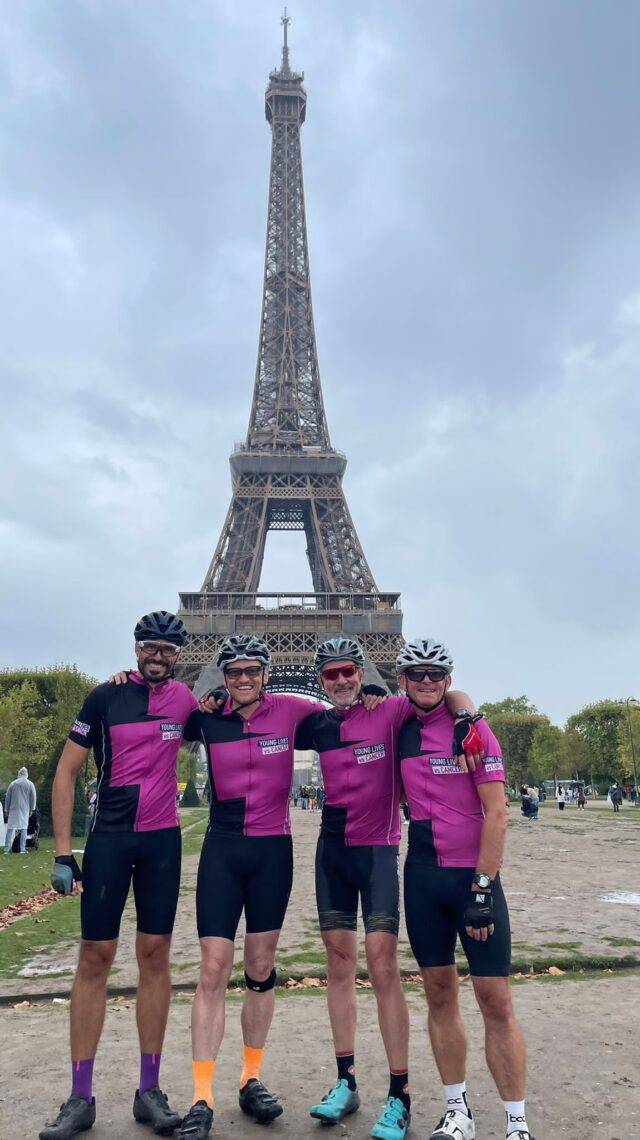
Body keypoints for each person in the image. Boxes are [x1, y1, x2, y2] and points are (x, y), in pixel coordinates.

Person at [295, 637, 484, 1140]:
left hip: (377, 852)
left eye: (349, 672)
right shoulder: (314, 724)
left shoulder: (393, 709)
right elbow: (257, 713)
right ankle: (346, 1082)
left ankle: (399, 1094)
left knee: (382, 967)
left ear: (363, 673)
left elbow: (448, 694)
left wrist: (467, 716)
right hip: (331, 853)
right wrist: (216, 700)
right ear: (321, 679)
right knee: (337, 966)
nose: (341, 680)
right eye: (331, 673)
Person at [39, 612, 198, 1140]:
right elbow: (66, 771)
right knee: (95, 956)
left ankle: (148, 1090)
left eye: (167, 649)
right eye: (150, 647)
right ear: (136, 649)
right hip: (109, 836)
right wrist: (64, 853)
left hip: (161, 840)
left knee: (155, 955)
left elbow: (236, 721)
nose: (158, 655)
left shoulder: (187, 702)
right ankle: (79, 1096)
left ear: (178, 655)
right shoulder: (104, 698)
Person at [177, 635, 331, 1139]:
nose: (243, 679)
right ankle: (201, 1094)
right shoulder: (206, 718)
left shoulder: (291, 711)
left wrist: (374, 689)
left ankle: (250, 1077)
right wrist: (122, 679)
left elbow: (349, 710)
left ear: (266, 673)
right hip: (222, 850)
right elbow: (153, 711)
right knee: (214, 969)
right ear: (223, 676)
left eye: (252, 671)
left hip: (271, 852)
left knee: (262, 965)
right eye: (234, 672)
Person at [397, 638, 534, 1140]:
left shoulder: (473, 732)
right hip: (421, 876)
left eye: (437, 673)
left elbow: (497, 814)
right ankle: (458, 1110)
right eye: (418, 673)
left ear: (448, 680)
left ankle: (516, 1120)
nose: (427, 680)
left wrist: (482, 888)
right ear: (403, 681)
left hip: (472, 880)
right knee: (438, 993)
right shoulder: (399, 729)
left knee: (494, 998)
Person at [4, 766, 37, 854]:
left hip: (13, 809)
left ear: (19, 773)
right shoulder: (30, 784)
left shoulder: (13, 783)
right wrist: (32, 809)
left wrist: (6, 809)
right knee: (24, 828)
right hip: (25, 809)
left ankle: (7, 849)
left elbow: (8, 797)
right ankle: (22, 849)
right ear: (27, 774)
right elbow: (33, 798)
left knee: (10, 828)